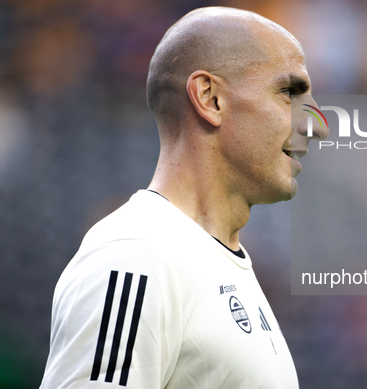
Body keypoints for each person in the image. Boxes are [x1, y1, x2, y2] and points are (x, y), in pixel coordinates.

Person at [39, 6, 327, 388]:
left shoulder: (216, 259)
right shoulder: (136, 253)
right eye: (288, 92)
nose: (315, 125)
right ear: (210, 98)